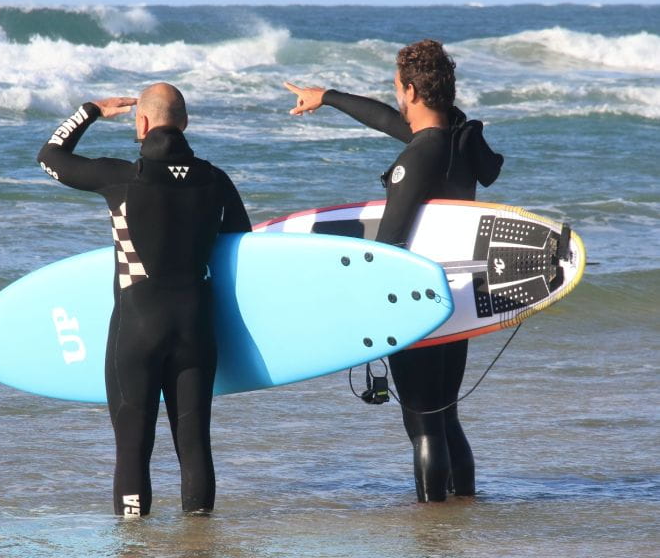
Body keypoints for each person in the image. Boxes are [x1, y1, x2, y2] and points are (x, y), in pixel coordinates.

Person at [284, 40, 504, 502]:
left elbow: (388, 247)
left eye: (397, 89)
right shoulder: (456, 142)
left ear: (410, 90)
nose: (396, 99)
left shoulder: (418, 156)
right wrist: (328, 96)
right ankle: (464, 509)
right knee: (445, 414)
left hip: (415, 301)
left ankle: (432, 525)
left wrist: (362, 306)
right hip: (456, 298)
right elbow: (389, 120)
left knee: (422, 422)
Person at [37, 82, 251, 517]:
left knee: (133, 448)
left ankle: (135, 544)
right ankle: (198, 543)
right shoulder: (216, 180)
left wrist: (91, 111)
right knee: (194, 445)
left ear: (143, 122)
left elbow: (50, 157)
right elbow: (241, 247)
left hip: (138, 327)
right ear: (185, 123)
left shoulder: (121, 178)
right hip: (195, 328)